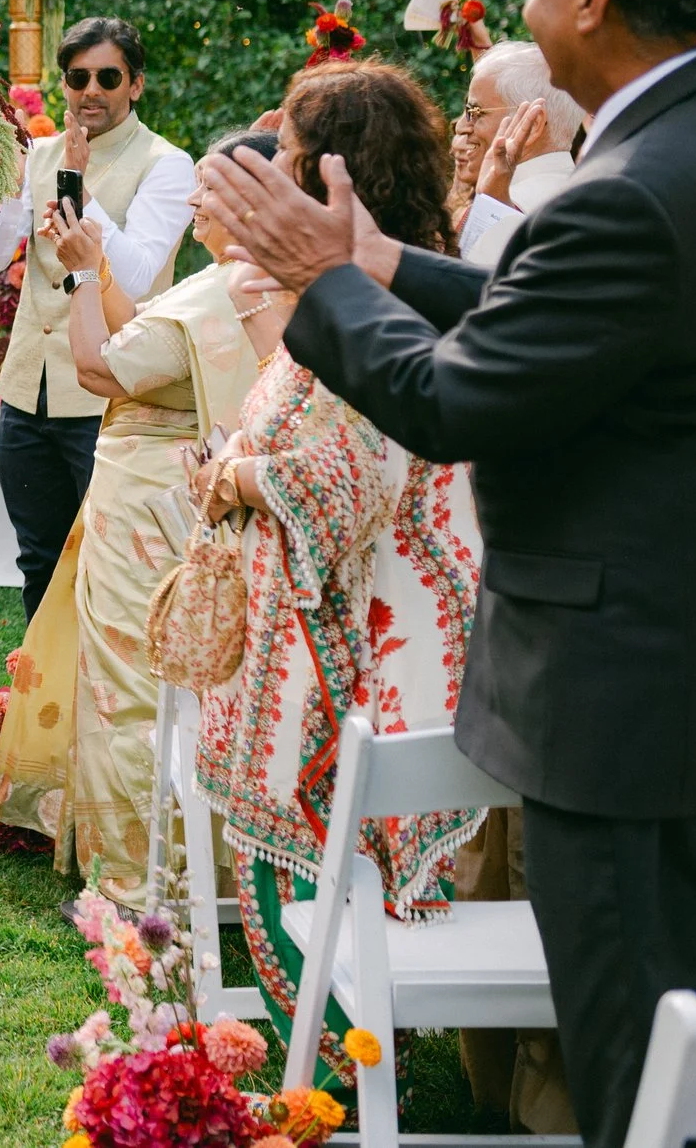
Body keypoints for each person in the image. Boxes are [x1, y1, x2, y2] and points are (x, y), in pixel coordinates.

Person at [199, 0, 696, 1148]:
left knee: (643, 1072)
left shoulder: (631, 191)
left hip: (628, 704)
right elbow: (572, 318)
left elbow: (455, 400)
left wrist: (319, 279)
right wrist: (385, 261)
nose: (525, 1)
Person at [180, 62, 487, 1079]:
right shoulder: (352, 290)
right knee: (294, 862)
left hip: (340, 655)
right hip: (303, 634)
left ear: (331, 171)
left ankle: (336, 1075)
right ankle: (329, 1066)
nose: (273, 160)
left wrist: (235, 475)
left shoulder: (381, 301)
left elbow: (348, 477)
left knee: (316, 863)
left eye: (289, 148)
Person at [0, 130, 278, 911]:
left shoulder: (219, 293)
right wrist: (101, 272)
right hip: (195, 497)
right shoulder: (254, 282)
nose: (195, 200)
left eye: (210, 189)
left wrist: (84, 275)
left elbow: (99, 365)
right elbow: (142, 332)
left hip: (152, 509)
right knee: (200, 682)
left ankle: (137, 882)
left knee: (132, 685)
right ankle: (210, 865)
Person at [0, 19, 193, 621]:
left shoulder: (167, 164)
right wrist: (5, 178)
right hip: (26, 392)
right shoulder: (36, 155)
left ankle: (109, 680)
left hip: (109, 398)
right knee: (38, 559)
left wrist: (77, 187)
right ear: (64, 84)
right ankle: (40, 679)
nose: (91, 90)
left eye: (108, 77)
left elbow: (139, 276)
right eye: (78, 77)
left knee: (112, 563)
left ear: (136, 84)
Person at [453, 41, 582, 267]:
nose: (461, 126)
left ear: (533, 125)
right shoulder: (589, 195)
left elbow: (465, 284)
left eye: (474, 111)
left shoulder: (508, 212)